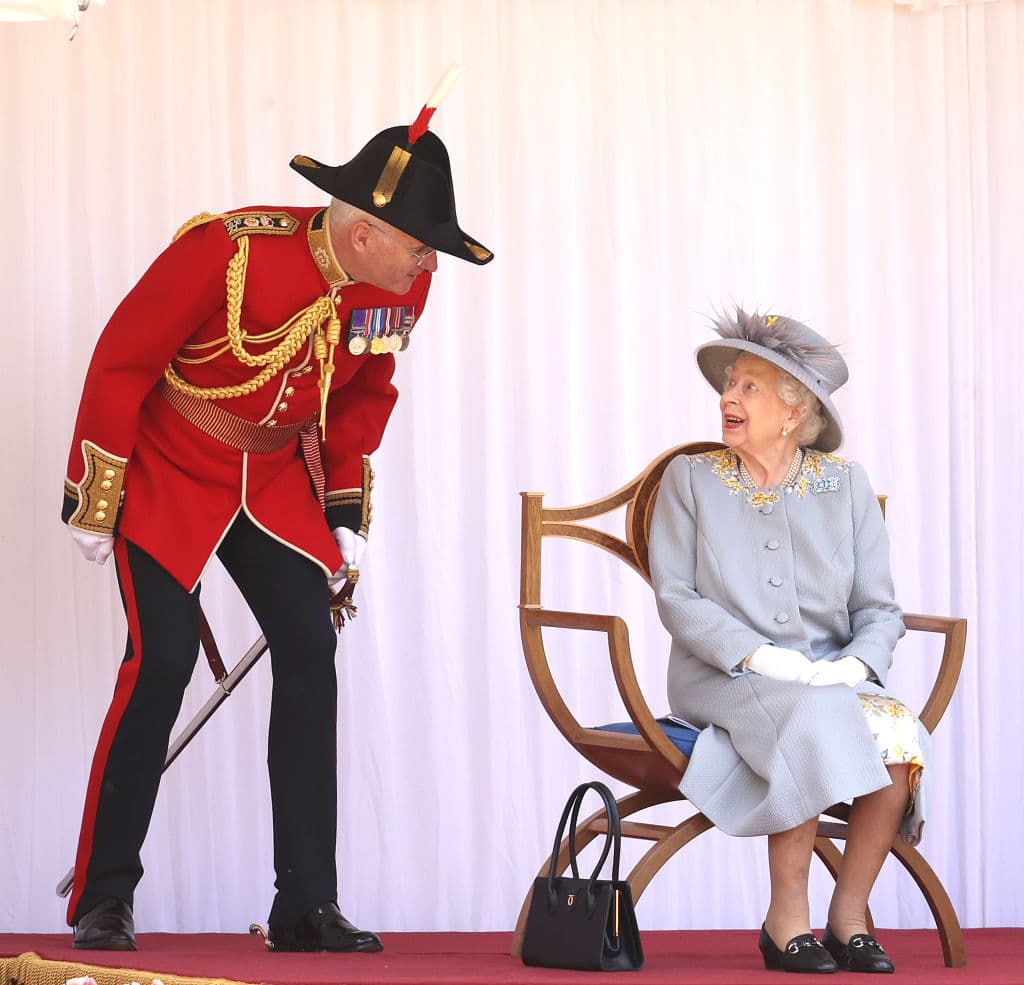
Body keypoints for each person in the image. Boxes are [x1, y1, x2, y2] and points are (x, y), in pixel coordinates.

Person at [60, 76, 492, 954]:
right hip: (171, 468)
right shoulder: (229, 251)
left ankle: (305, 902)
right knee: (162, 660)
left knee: (309, 649)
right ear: (363, 231)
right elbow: (122, 358)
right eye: (419, 247)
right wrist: (96, 494)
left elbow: (365, 393)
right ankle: (106, 895)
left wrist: (343, 512)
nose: (428, 265)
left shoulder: (399, 286)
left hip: (274, 477)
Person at [648, 308, 925, 975]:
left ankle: (849, 915)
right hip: (724, 675)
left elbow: (879, 607)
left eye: (749, 387)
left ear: (794, 413)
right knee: (811, 717)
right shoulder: (691, 479)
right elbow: (676, 598)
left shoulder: (846, 485)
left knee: (898, 732)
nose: (728, 398)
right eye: (729, 385)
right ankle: (786, 919)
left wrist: (858, 662)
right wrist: (758, 654)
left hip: (829, 673)